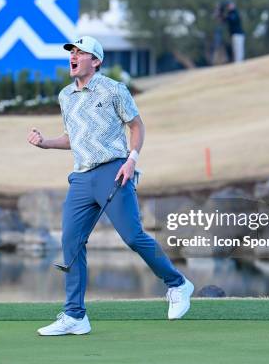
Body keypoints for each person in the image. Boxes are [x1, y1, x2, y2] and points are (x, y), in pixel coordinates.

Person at [27, 36, 194, 336]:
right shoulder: (66, 95)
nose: (73, 57)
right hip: (80, 177)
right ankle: (75, 315)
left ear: (96, 61)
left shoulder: (114, 89)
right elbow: (72, 138)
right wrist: (45, 143)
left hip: (113, 171)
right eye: (71, 53)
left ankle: (177, 284)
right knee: (71, 243)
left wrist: (132, 160)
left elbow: (137, 126)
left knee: (132, 236)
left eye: (80, 53)